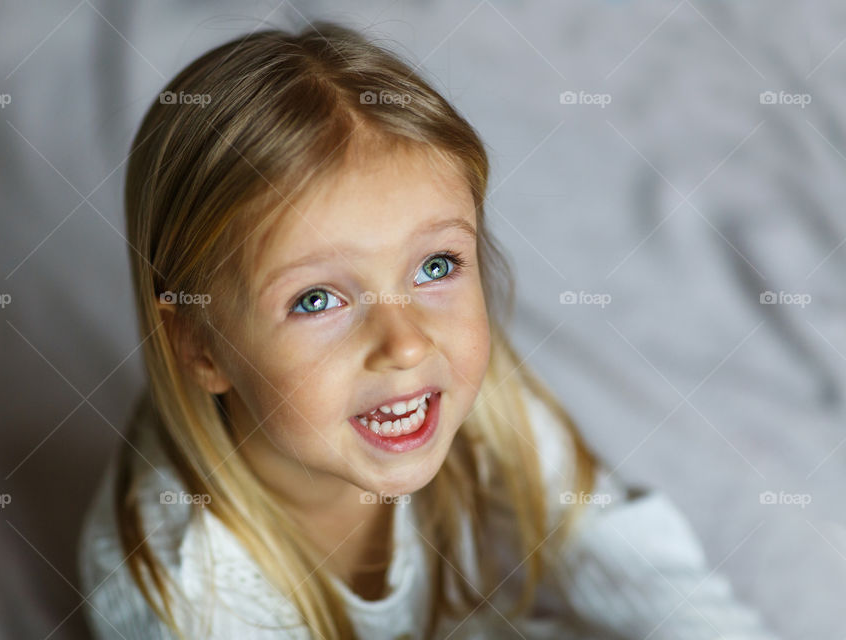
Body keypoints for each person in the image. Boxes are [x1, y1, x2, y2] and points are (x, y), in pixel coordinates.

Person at [77, 21, 778, 640]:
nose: (407, 343)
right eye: (318, 299)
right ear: (199, 345)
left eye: (436, 264)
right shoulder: (190, 598)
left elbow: (629, 559)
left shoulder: (470, 395)